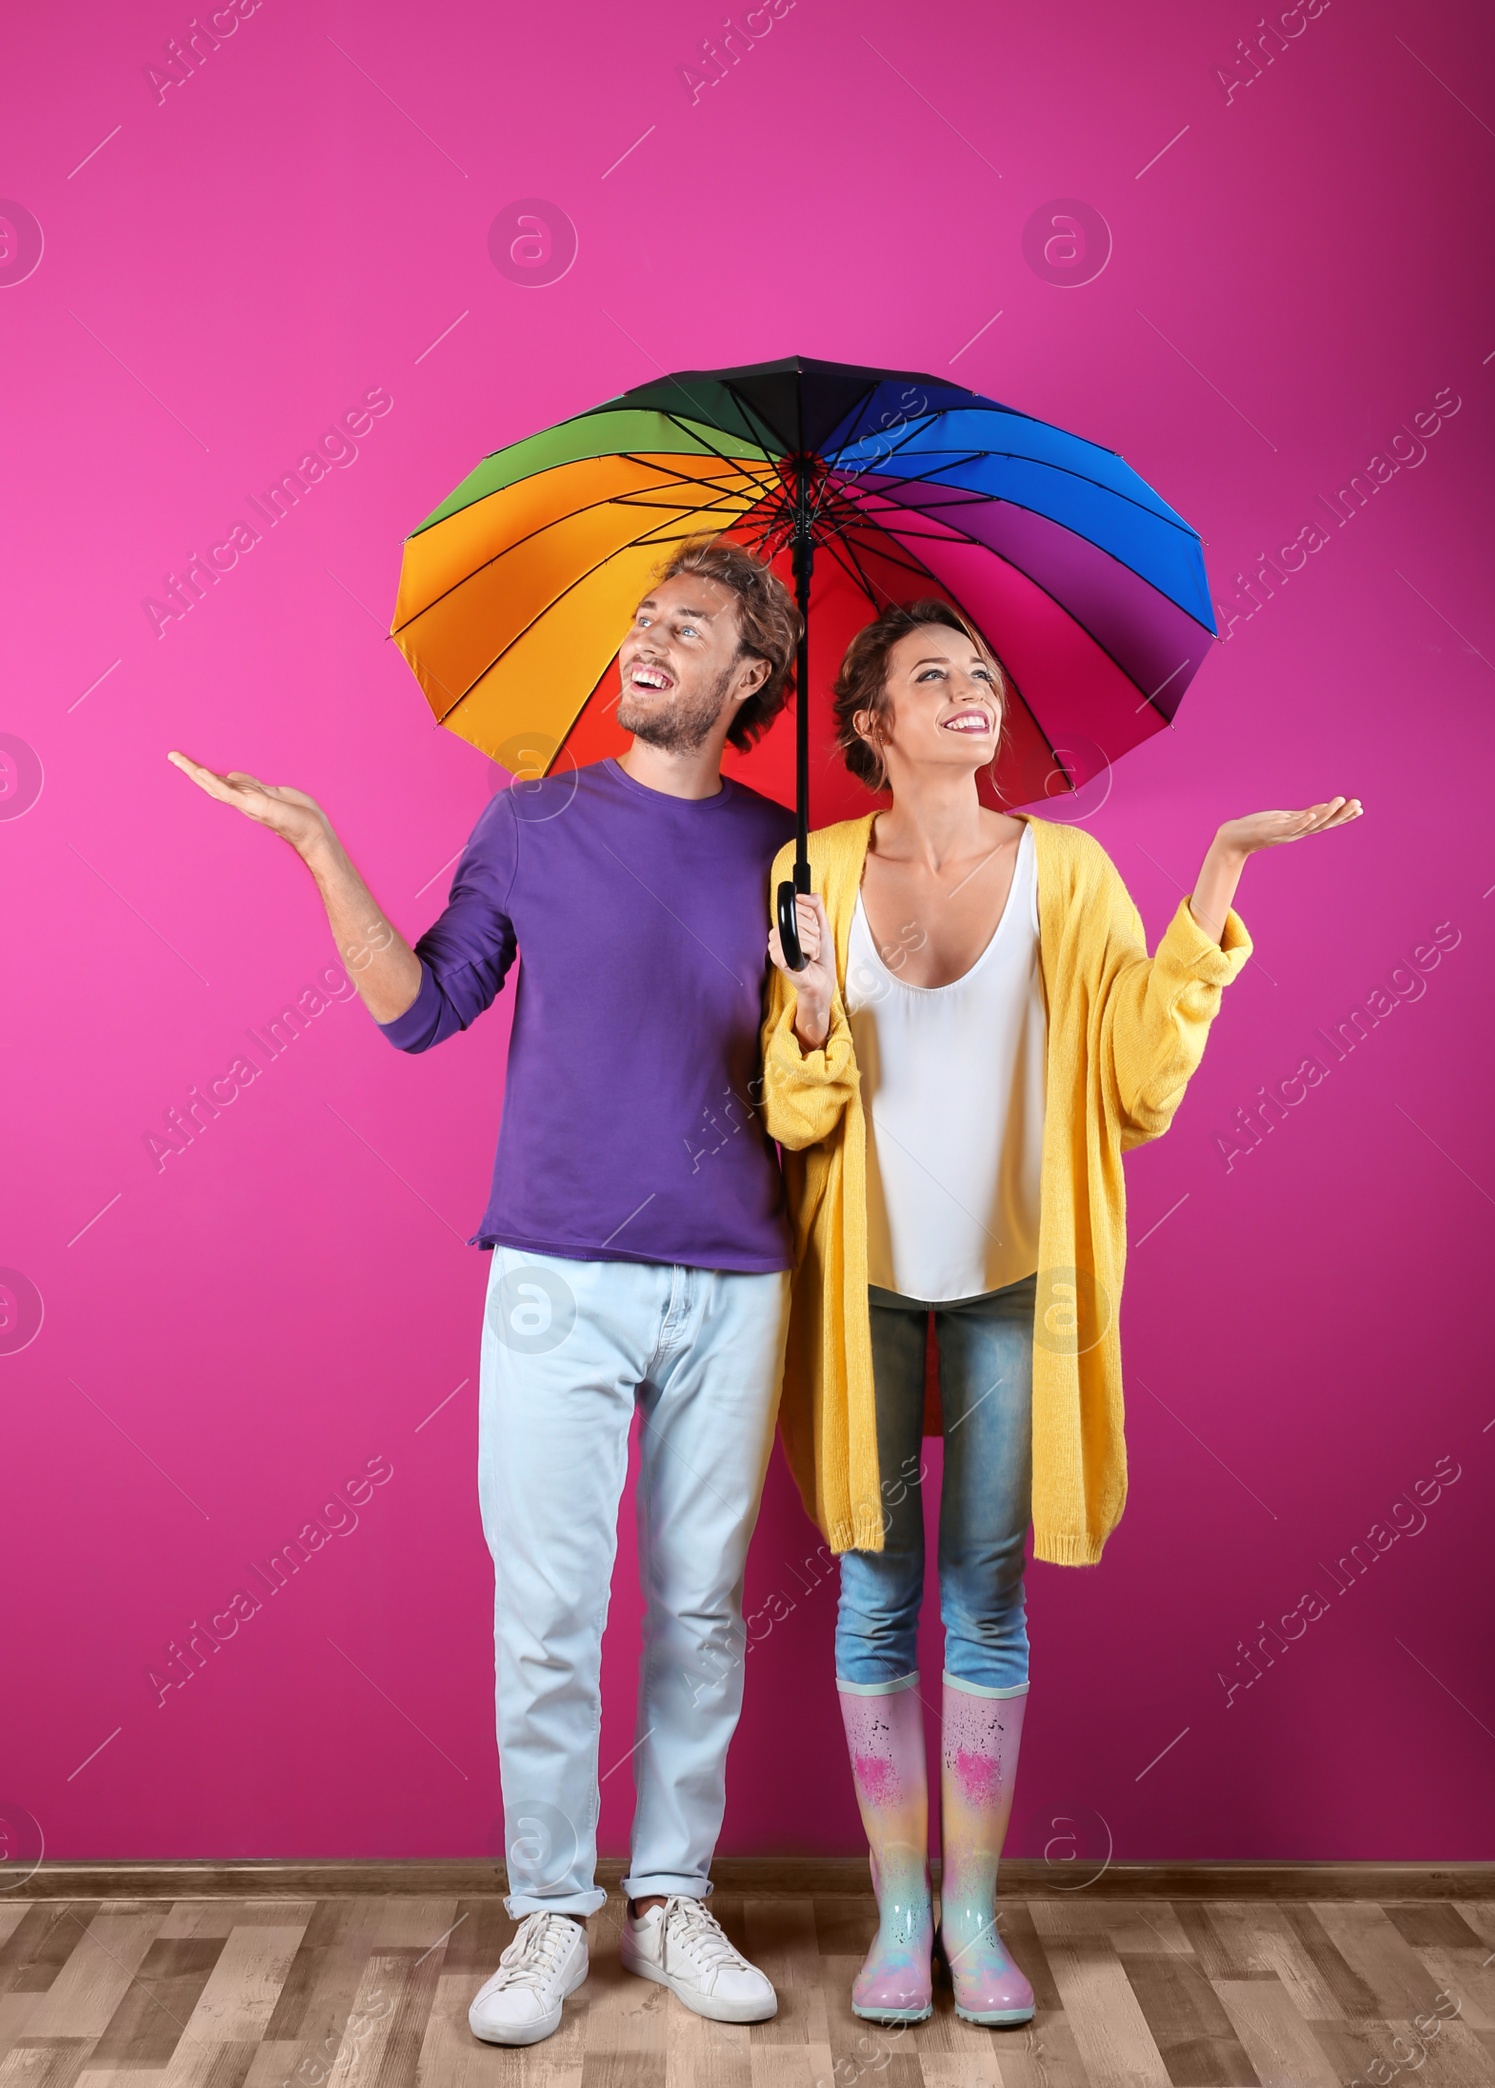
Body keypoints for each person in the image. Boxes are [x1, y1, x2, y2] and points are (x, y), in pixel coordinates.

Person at [170, 535, 805, 2047]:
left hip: (737, 1275)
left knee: (702, 1606)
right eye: (643, 619)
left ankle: (670, 1898)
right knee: (548, 1609)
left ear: (750, 678)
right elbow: (422, 1013)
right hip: (552, 1276)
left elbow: (818, 1080)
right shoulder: (531, 822)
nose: (648, 641)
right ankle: (546, 1911)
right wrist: (323, 850)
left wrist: (830, 991)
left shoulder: (796, 851)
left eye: (688, 627)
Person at [761, 598, 1361, 2028]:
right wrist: (798, 1012)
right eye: (932, 677)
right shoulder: (808, 871)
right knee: (872, 1596)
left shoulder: (1071, 874)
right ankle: (897, 1919)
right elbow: (790, 1116)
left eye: (979, 674)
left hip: (1019, 1294)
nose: (970, 692)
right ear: (873, 726)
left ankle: (975, 1914)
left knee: (985, 1597)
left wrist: (1217, 879)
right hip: (863, 1294)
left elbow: (1140, 1087)